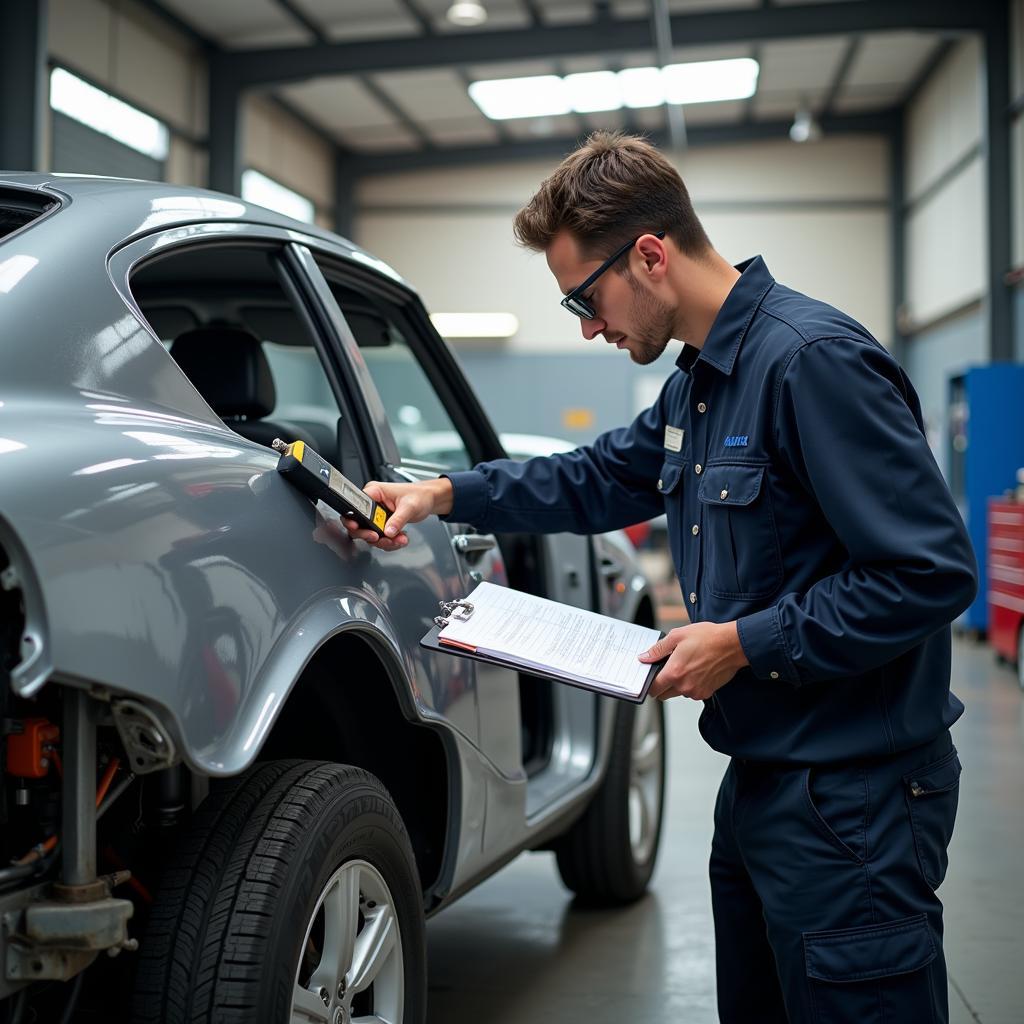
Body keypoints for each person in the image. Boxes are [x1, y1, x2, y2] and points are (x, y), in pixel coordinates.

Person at [341, 132, 978, 1024]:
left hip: (853, 801)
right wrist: (444, 492)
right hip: (762, 781)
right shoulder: (700, 387)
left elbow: (930, 572)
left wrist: (742, 643)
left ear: (649, 255)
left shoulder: (810, 362)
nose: (588, 326)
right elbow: (597, 476)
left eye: (584, 298)